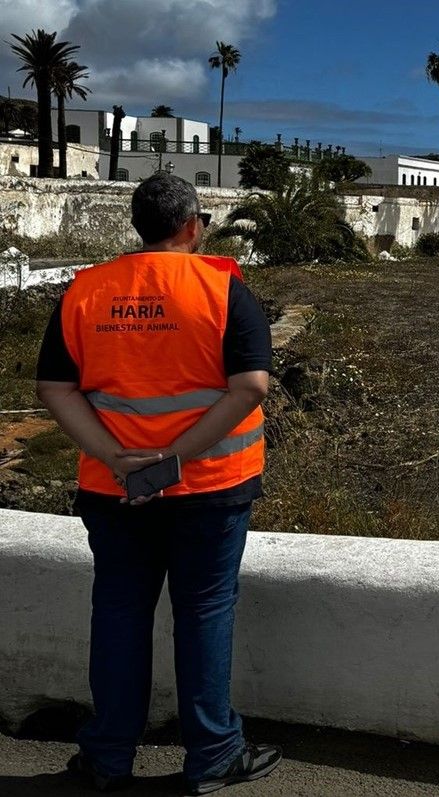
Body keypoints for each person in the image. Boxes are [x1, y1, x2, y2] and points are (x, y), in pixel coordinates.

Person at [35, 174, 281, 795]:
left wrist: (119, 458)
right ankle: (214, 756)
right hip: (211, 487)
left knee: (119, 613)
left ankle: (107, 758)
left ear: (138, 227)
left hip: (114, 491)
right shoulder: (224, 289)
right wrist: (173, 455)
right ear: (193, 225)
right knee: (203, 612)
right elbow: (250, 386)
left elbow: (54, 389)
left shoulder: (85, 292)